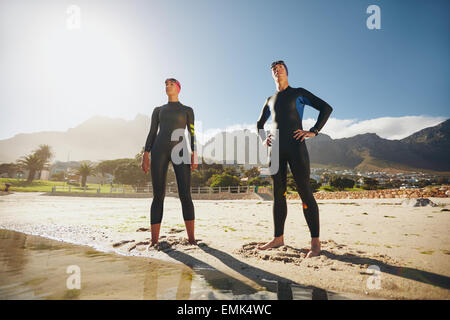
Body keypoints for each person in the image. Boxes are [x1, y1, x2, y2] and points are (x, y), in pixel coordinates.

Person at [256, 60, 333, 258]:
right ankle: (278, 238)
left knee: (305, 191)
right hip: (275, 151)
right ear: (271, 74)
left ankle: (315, 243)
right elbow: (259, 124)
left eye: (280, 68)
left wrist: (314, 131)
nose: (276, 71)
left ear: (286, 72)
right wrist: (265, 139)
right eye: (273, 69)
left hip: (296, 146)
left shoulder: (298, 93)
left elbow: (326, 108)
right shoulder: (270, 99)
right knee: (278, 194)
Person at [141, 78, 198, 246]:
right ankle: (154, 241)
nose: (168, 86)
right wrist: (146, 154)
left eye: (171, 84)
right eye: (166, 84)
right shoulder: (158, 110)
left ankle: (192, 239)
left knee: (185, 195)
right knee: (158, 195)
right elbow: (152, 132)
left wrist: (194, 153)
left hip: (181, 151)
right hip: (159, 150)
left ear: (179, 88)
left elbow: (192, 133)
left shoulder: (187, 110)